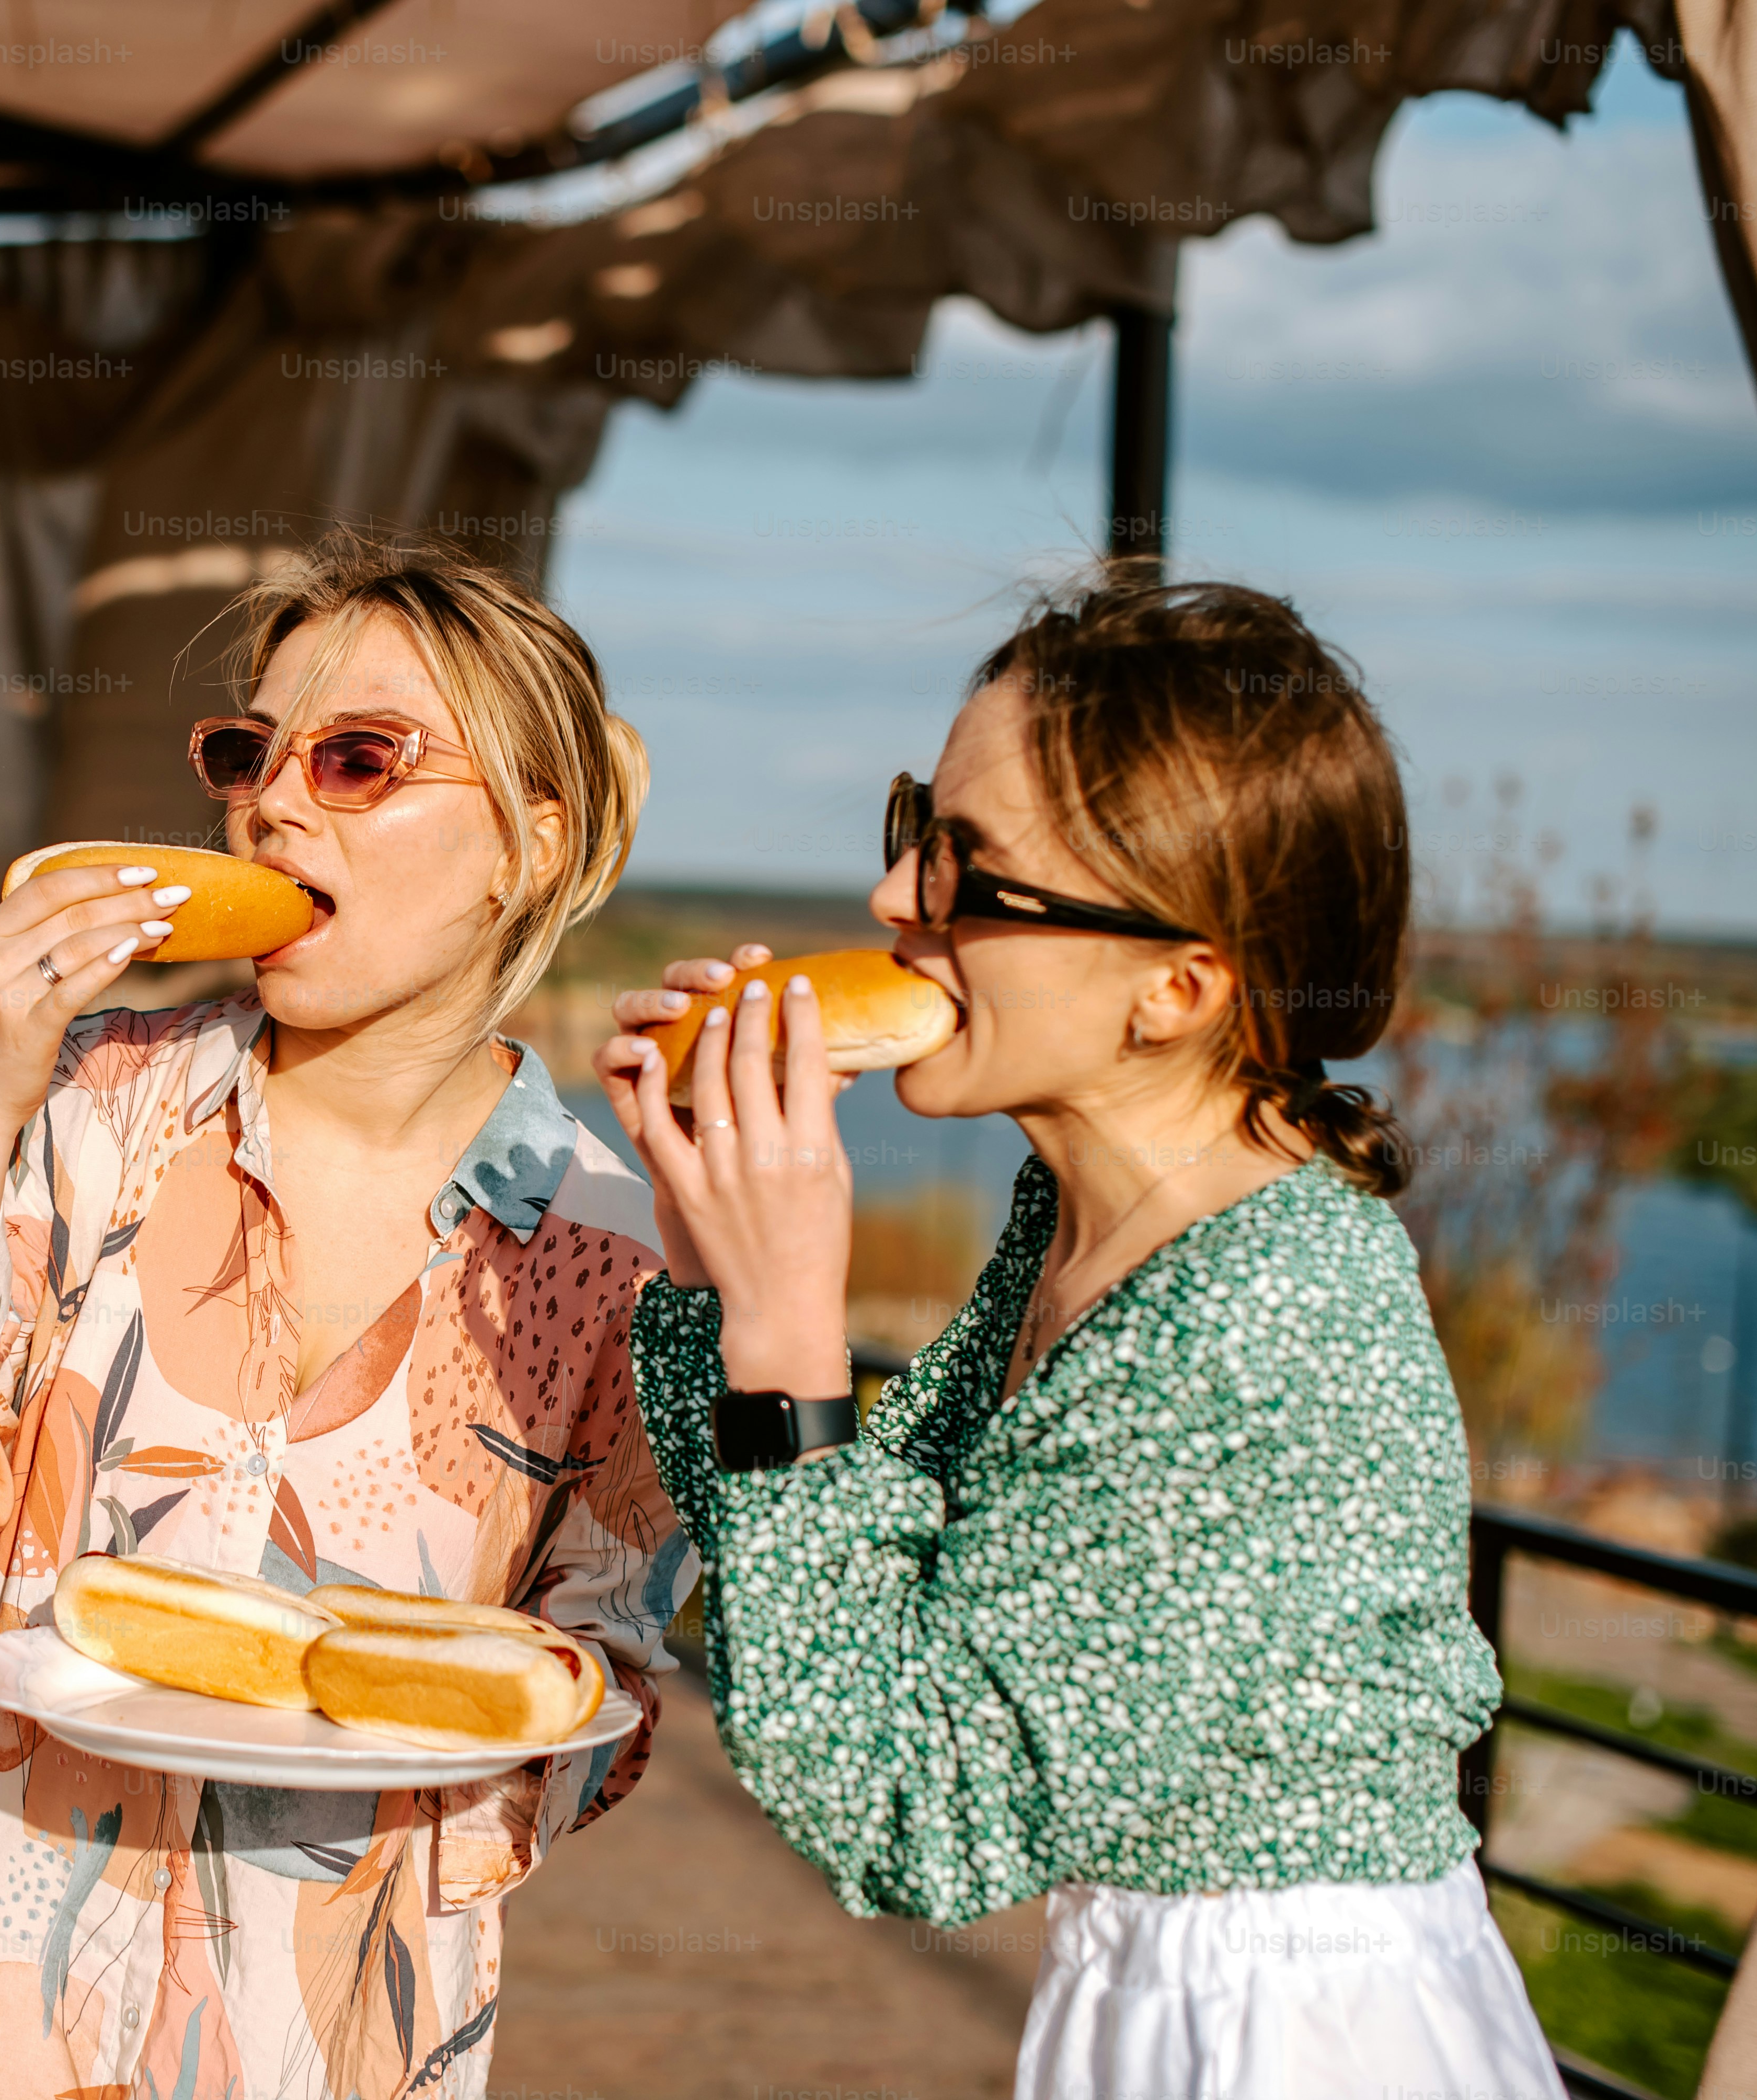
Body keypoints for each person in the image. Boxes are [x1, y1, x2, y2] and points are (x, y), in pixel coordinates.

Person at [594, 573, 1563, 2098]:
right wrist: (716, 1254)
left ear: (1174, 989)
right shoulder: (1086, 1221)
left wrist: (789, 1323)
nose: (895, 901)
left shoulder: (1264, 1322)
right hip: (1148, 2001)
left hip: (1295, 2039)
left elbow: (910, 1806)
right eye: (916, 825)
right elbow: (836, 1601)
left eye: (969, 871)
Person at [0, 540, 692, 2100]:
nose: (272, 803)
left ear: (528, 845)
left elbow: (604, 1692)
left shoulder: (614, 1251)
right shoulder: (91, 1102)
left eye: (360, 758)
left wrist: (438, 1742)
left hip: (321, 2031)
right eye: (250, 753)